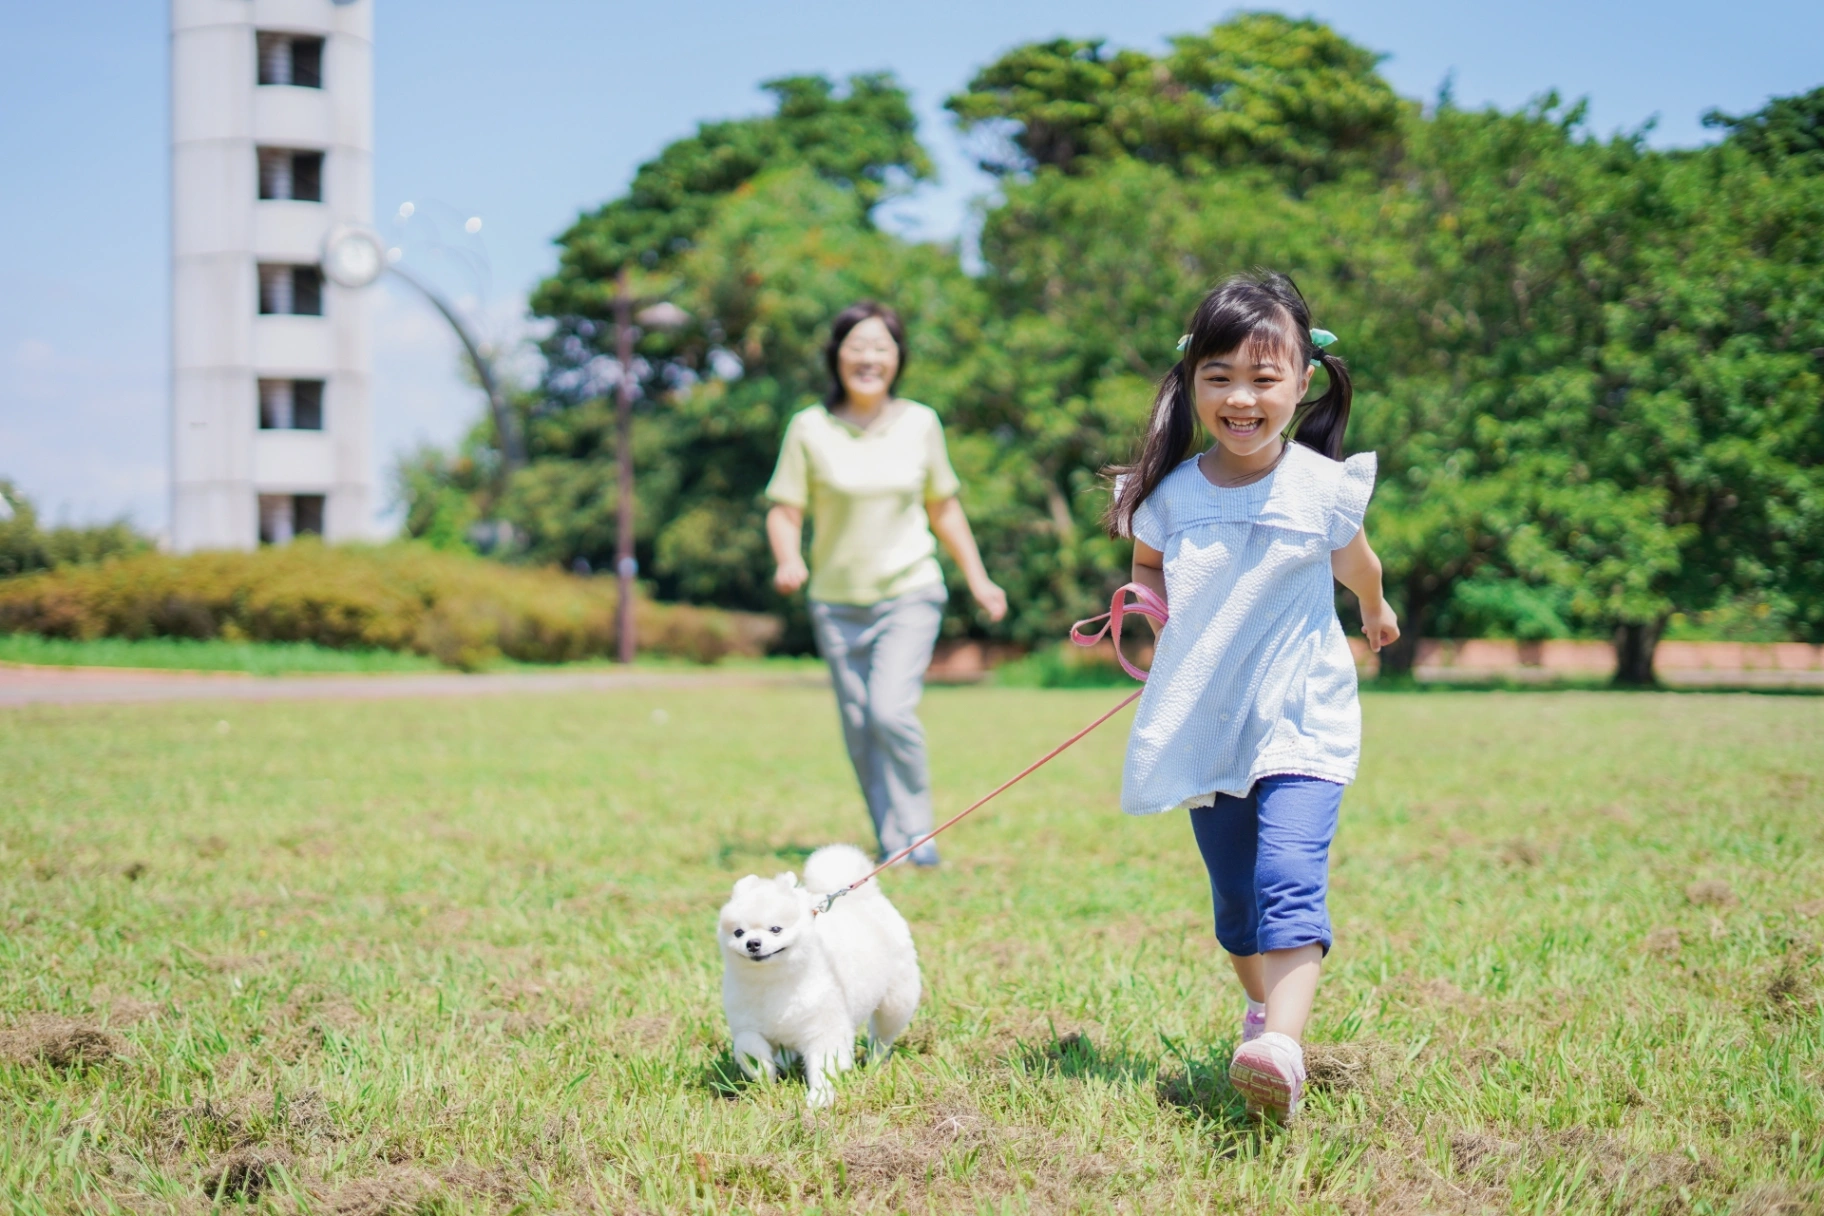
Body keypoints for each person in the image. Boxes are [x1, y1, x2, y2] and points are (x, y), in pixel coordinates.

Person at [1106, 272, 1399, 1122]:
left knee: (1287, 878)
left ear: (1303, 383)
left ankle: (1282, 1048)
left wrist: (1375, 612)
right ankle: (1263, 1008)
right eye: (1219, 376)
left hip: (1302, 716)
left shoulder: (1319, 488)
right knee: (1237, 902)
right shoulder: (1170, 496)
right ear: (1192, 381)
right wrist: (1152, 617)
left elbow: (1360, 565)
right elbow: (1149, 566)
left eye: (1264, 378)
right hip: (1208, 723)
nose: (1242, 397)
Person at [765, 301, 1007, 867]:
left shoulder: (920, 422)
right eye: (857, 346)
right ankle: (890, 838)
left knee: (888, 711)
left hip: (909, 589)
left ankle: (919, 834)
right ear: (836, 356)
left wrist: (978, 578)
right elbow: (784, 509)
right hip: (836, 600)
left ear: (898, 358)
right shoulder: (809, 427)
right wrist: (785, 559)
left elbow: (943, 507)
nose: (869, 358)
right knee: (858, 726)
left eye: (881, 347)